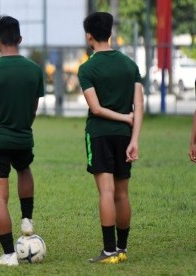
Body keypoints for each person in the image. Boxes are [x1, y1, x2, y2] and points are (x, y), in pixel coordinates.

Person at [0, 15, 44, 266]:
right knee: (24, 169)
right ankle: (27, 218)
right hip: (24, 136)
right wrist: (20, 119)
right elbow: (33, 108)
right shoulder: (35, 70)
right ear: (20, 39)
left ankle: (8, 254)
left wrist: (1, 114)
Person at [78, 12, 143, 264]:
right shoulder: (130, 65)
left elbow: (95, 109)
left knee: (106, 191)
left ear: (89, 36)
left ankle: (108, 252)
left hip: (99, 135)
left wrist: (124, 119)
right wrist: (134, 136)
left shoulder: (87, 68)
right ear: (111, 33)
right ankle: (122, 249)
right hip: (125, 137)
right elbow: (139, 105)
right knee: (122, 194)